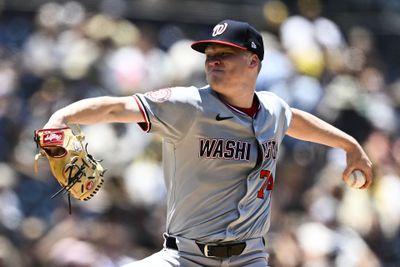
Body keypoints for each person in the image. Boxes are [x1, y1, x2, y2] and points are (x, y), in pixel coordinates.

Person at [43, 19, 373, 267]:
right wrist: (61, 117)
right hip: (184, 257)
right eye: (209, 54)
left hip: (250, 258)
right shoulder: (186, 105)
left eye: (225, 54)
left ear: (253, 62)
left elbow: (295, 120)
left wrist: (350, 146)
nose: (213, 60)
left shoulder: (272, 109)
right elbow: (118, 106)